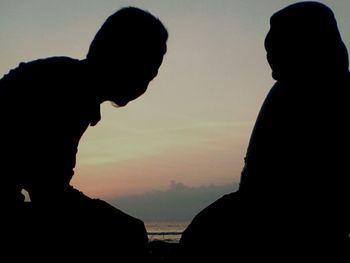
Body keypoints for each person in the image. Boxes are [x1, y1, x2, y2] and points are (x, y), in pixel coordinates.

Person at [180, 2, 349, 261]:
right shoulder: (302, 89)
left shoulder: (289, 91)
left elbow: (256, 179)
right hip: (310, 221)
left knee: (200, 235)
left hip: (277, 218)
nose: (271, 66)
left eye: (275, 52)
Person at [0, 6, 168, 261]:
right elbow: (49, 195)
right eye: (147, 71)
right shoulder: (67, 91)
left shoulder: (68, 82)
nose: (146, 84)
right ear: (120, 57)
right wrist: (120, 225)